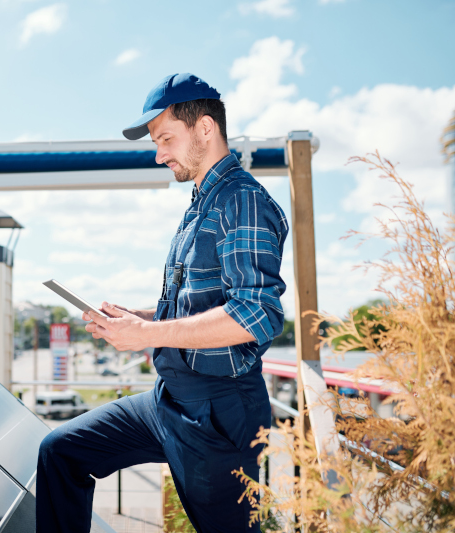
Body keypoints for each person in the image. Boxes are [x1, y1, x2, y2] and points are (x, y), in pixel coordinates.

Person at [36, 73, 288, 533]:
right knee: (60, 451)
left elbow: (257, 314)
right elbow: (202, 306)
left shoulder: (243, 202)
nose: (159, 154)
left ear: (205, 129)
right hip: (167, 400)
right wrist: (139, 319)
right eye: (157, 142)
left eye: (166, 138)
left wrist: (146, 335)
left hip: (217, 415)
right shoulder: (200, 203)